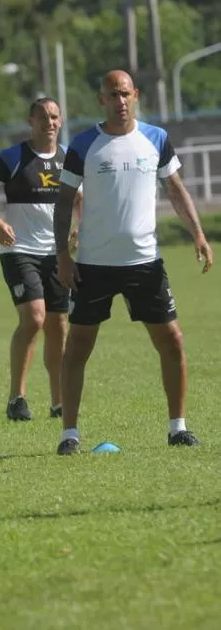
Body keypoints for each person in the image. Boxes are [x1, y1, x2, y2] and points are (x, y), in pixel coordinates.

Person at [53, 69, 213, 455]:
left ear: (135, 95)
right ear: (101, 100)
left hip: (145, 263)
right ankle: (69, 435)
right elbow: (63, 201)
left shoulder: (155, 139)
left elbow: (175, 189)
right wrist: (62, 255)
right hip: (93, 264)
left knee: (171, 341)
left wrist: (198, 234)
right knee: (78, 346)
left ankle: (178, 428)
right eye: (112, 94)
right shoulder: (84, 144)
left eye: (125, 93)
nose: (120, 101)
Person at [0, 98, 82, 422]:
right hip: (19, 250)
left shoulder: (69, 159)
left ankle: (58, 402)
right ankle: (16, 399)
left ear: (60, 121)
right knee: (35, 318)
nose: (49, 122)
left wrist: (80, 229)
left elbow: (80, 200)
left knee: (57, 325)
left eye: (54, 117)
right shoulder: (11, 158)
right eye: (42, 117)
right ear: (31, 121)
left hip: (57, 254)